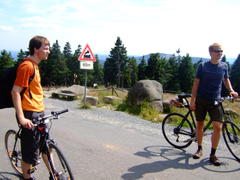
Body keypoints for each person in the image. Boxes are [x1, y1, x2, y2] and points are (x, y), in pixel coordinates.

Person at [190, 43, 238, 166]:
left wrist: (231, 90)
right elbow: (196, 84)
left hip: (215, 100)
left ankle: (213, 154)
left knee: (217, 127)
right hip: (201, 99)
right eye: (217, 51)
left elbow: (226, 79)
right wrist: (192, 100)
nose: (220, 53)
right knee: (200, 124)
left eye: (221, 51)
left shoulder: (224, 66)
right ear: (210, 52)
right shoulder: (203, 66)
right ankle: (199, 149)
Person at [11, 36, 52, 180]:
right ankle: (27, 178)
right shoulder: (27, 66)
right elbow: (15, 91)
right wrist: (21, 117)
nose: (48, 51)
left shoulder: (35, 65)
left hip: (39, 112)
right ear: (36, 49)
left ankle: (53, 174)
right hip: (29, 114)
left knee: (46, 146)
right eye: (45, 48)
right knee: (29, 154)